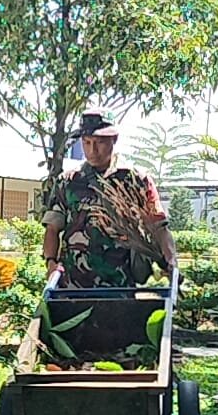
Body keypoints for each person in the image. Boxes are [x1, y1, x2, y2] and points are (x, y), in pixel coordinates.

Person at [42, 108, 176, 288]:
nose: (92, 150)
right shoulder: (68, 181)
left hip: (121, 284)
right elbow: (52, 227)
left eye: (99, 142)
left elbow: (159, 226)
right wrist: (51, 262)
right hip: (73, 286)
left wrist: (171, 262)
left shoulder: (136, 180)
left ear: (114, 139)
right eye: (87, 142)